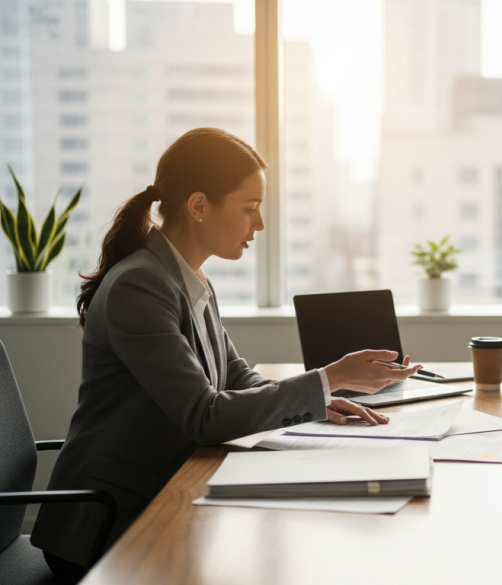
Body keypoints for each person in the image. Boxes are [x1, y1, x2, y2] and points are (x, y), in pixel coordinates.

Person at [31, 128, 420, 581]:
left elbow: (234, 374)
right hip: (109, 522)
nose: (259, 225)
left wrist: (318, 400)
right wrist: (327, 378)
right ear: (198, 206)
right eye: (250, 208)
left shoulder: (186, 276)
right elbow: (204, 415)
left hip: (165, 489)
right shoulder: (139, 286)